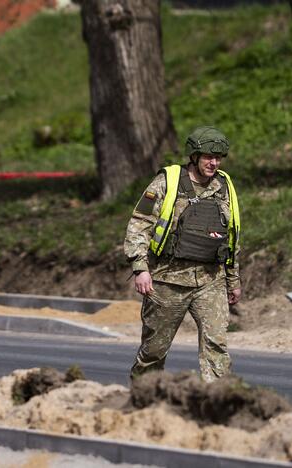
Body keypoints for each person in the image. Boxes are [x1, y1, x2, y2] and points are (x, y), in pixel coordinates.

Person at [124, 126, 241, 382]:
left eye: (218, 158)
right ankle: (144, 397)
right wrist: (140, 268)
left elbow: (231, 237)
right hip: (168, 280)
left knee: (217, 346)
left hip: (210, 280)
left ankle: (219, 402)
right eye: (209, 157)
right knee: (154, 350)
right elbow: (139, 224)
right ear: (195, 156)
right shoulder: (168, 181)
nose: (214, 162)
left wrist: (233, 280)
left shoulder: (224, 186)